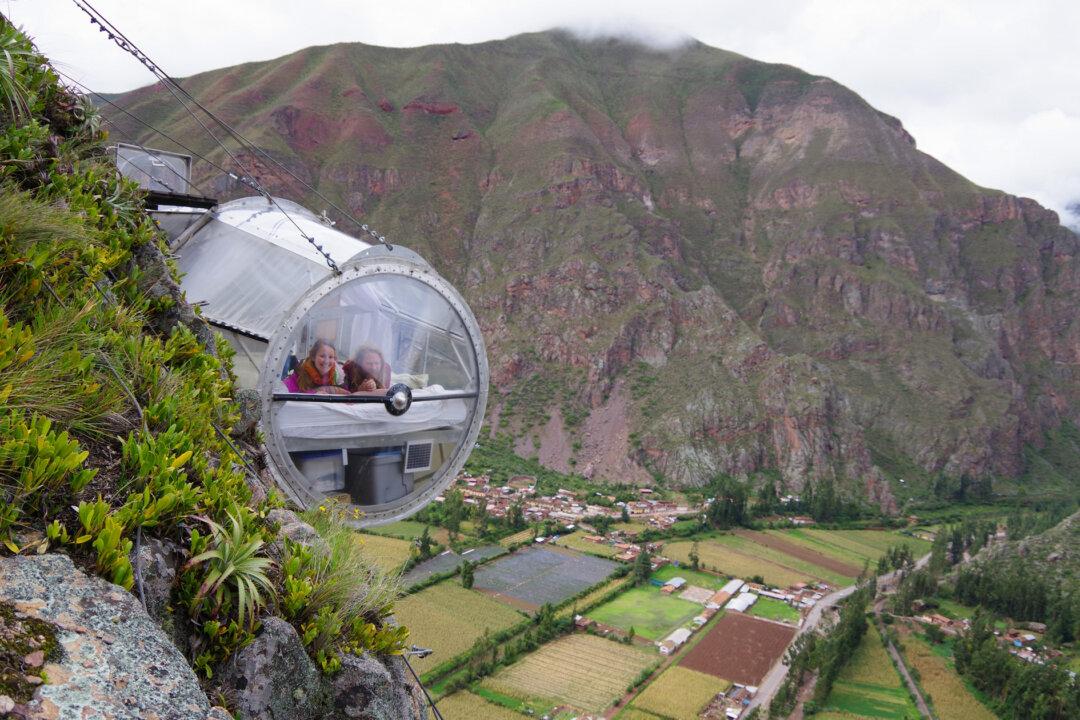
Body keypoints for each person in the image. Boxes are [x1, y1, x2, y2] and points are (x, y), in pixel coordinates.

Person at [283, 339, 348, 394]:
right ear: (313, 357)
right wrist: (313, 394)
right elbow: (284, 391)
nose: (326, 361)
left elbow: (347, 394)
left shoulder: (338, 378)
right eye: (322, 356)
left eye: (330, 357)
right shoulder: (300, 374)